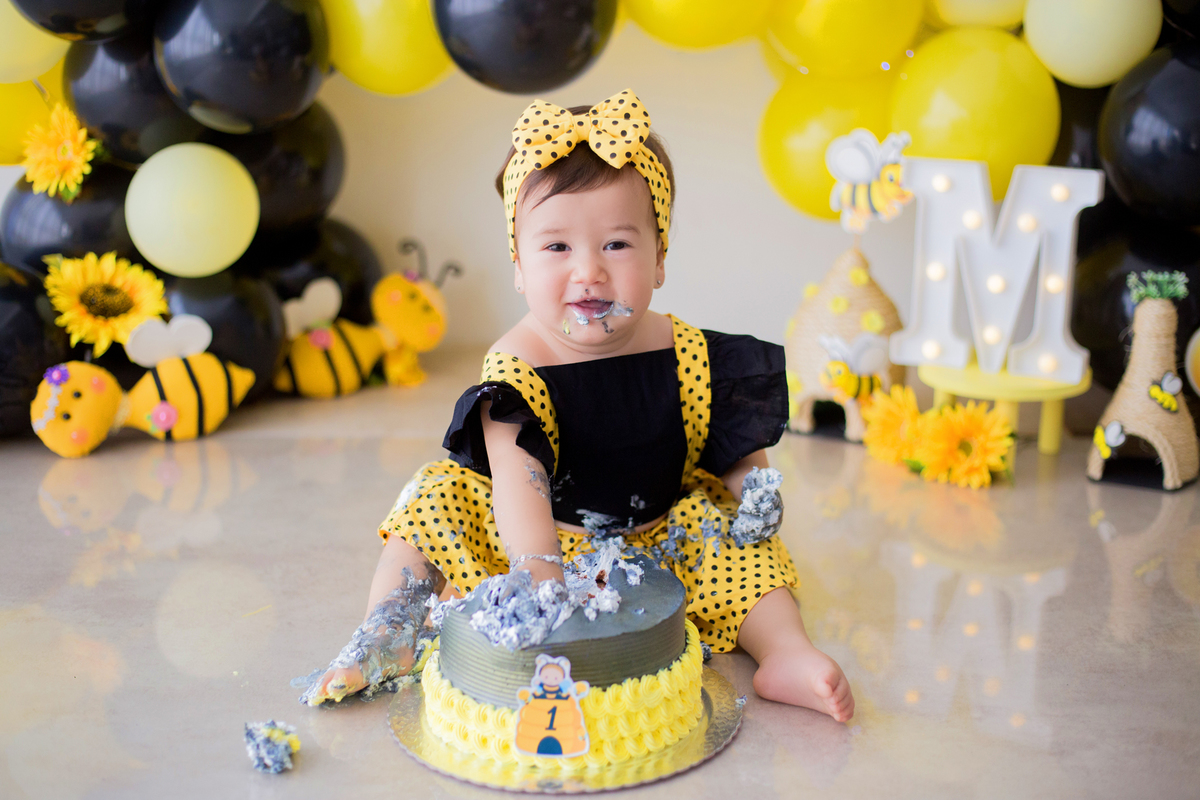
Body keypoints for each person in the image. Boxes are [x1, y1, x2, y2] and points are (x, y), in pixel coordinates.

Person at [302, 89, 854, 722]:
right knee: (432, 502)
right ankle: (388, 629)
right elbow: (519, 480)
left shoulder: (690, 352)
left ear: (661, 257)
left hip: (663, 529)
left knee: (744, 552)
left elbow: (729, 444)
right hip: (538, 536)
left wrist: (754, 488)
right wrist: (539, 573)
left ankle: (786, 652)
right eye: (557, 248)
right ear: (518, 263)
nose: (588, 272)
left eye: (617, 245)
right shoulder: (521, 365)